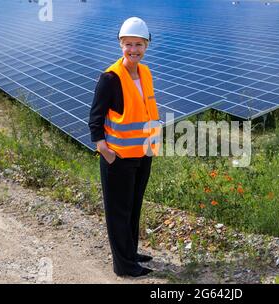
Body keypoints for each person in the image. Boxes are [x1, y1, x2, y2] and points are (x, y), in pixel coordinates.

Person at [88, 17, 161, 278]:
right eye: (129, 44)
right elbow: (95, 118)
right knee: (118, 212)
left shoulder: (146, 72)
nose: (134, 50)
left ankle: (130, 253)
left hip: (143, 154)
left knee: (133, 207)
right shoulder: (110, 78)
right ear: (121, 45)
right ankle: (124, 266)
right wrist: (104, 150)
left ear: (146, 46)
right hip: (117, 158)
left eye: (139, 45)